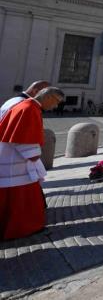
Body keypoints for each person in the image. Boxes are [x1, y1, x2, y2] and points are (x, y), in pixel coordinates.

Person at [0, 87, 63, 240]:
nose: (55, 107)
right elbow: (24, 138)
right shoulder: (30, 109)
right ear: (48, 97)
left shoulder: (24, 105)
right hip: (17, 162)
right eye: (56, 102)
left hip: (10, 157)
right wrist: (34, 155)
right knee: (24, 197)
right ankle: (25, 227)